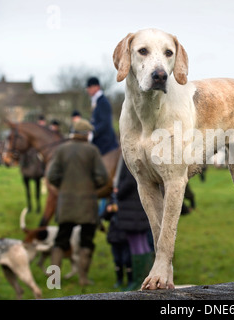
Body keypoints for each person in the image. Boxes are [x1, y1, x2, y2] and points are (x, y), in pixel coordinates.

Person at [47, 118, 108, 286]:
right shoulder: (92, 151)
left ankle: (53, 281)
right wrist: (91, 185)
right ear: (87, 134)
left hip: (66, 204)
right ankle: (83, 279)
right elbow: (103, 177)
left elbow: (52, 175)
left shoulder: (61, 150)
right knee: (86, 242)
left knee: (60, 241)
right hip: (87, 205)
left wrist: (64, 186)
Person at [112, 157, 153, 291]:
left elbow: (130, 180)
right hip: (140, 204)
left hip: (130, 206)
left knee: (136, 244)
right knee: (142, 243)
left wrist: (119, 192)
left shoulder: (129, 155)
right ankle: (147, 277)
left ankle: (138, 280)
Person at [86, 77, 119, 155]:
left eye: (89, 87)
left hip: (105, 142)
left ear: (97, 87)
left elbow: (105, 122)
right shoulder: (96, 101)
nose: (88, 90)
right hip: (99, 139)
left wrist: (93, 132)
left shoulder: (103, 102)